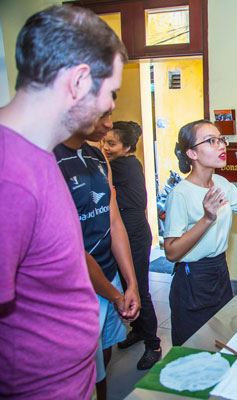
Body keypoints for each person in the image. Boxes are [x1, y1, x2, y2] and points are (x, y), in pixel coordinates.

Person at [0, 5, 126, 399]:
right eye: (109, 92)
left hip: (73, 379)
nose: (109, 107)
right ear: (78, 81)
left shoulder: (41, 154)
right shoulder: (10, 177)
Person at [54, 112, 141, 400]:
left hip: (109, 275)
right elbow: (69, 248)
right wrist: (115, 294)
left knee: (105, 354)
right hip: (78, 286)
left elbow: (113, 220)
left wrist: (130, 283)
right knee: (84, 370)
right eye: (101, 114)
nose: (108, 125)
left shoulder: (97, 156)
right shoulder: (48, 159)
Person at [164, 120, 237, 345]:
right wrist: (207, 218)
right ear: (192, 153)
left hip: (220, 271)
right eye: (211, 141)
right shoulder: (180, 194)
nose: (222, 146)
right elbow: (172, 252)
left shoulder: (221, 183)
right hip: (193, 278)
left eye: (221, 139)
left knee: (218, 338)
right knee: (192, 346)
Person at [103, 121, 162, 369]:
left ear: (127, 147)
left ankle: (153, 344)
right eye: (104, 142)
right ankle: (137, 330)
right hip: (126, 233)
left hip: (134, 235)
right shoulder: (127, 162)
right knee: (128, 284)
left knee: (138, 289)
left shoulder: (120, 165)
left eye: (111, 143)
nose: (105, 147)